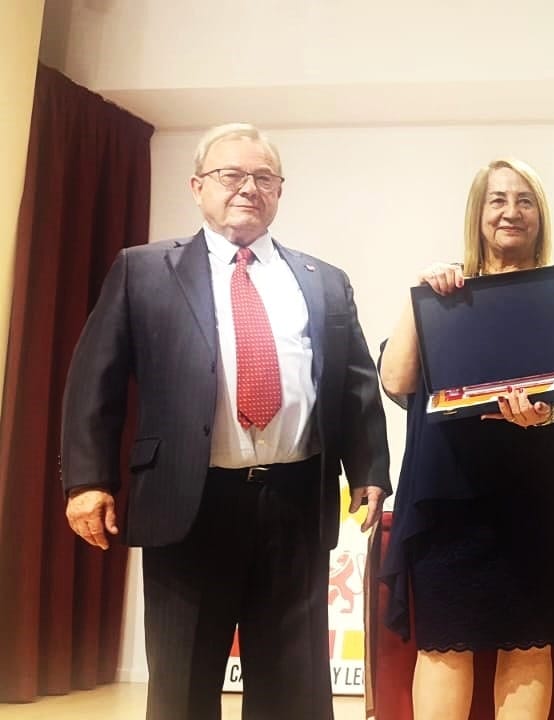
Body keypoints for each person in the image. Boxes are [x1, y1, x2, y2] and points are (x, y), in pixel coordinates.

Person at [60, 123, 391, 720]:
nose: (248, 188)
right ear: (197, 187)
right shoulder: (143, 270)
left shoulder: (323, 280)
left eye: (264, 177)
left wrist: (368, 468)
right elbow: (94, 381)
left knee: (293, 686)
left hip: (295, 500)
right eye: (231, 174)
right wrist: (87, 480)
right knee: (182, 683)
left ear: (280, 190)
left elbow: (355, 382)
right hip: (188, 503)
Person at [378, 158, 554, 720]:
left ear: (540, 216)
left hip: (541, 494)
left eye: (525, 201)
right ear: (478, 213)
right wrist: (418, 296)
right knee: (444, 641)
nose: (511, 212)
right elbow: (396, 380)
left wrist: (547, 415)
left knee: (529, 639)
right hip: (450, 496)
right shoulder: (444, 294)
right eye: (498, 200)